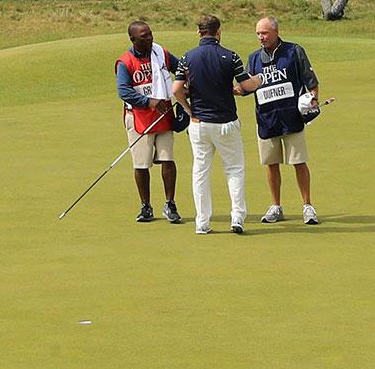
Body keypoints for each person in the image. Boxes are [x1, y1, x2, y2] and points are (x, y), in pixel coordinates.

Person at [170, 12, 252, 235]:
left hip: (199, 124)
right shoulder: (231, 56)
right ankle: (237, 218)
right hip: (226, 123)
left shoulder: (187, 58)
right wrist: (258, 81)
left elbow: (177, 90)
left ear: (199, 32)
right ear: (219, 32)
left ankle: (202, 223)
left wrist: (189, 111)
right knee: (234, 169)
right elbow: (246, 85)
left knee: (201, 172)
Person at [248, 16, 321, 225]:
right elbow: (247, 85)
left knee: (299, 162)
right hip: (266, 120)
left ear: (276, 31)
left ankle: (307, 206)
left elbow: (311, 82)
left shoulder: (294, 51)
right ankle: (276, 206)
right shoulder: (254, 59)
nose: (261, 37)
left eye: (264, 33)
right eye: (258, 34)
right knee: (271, 164)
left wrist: (312, 99)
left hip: (292, 119)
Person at [114, 20, 184, 224]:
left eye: (150, 34)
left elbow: (181, 70)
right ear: (133, 39)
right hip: (139, 118)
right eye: (144, 36)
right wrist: (149, 102)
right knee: (141, 164)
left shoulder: (161, 53)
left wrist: (183, 90)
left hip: (164, 114)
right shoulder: (125, 62)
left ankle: (170, 204)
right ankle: (146, 206)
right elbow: (124, 91)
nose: (150, 38)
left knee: (167, 159)